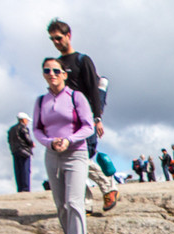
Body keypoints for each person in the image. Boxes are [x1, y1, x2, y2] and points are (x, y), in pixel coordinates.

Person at [48, 18, 118, 212]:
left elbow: (93, 91)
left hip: (84, 118)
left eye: (58, 38)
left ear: (68, 35)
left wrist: (97, 118)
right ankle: (85, 203)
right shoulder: (56, 65)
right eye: (52, 39)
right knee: (68, 161)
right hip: (65, 121)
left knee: (80, 158)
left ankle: (108, 186)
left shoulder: (82, 60)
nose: (56, 42)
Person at [33, 57, 94, 234]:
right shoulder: (41, 101)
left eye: (56, 71)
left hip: (76, 153)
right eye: (47, 70)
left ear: (64, 74)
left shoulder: (76, 97)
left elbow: (89, 126)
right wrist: (50, 143)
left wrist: (69, 139)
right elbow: (37, 129)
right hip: (52, 155)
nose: (52, 74)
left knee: (74, 200)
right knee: (60, 203)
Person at [7, 112, 35, 192]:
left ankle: (20, 188)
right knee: (25, 170)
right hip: (24, 151)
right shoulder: (24, 128)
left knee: (18, 170)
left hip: (15, 151)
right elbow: (27, 139)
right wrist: (31, 144)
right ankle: (26, 188)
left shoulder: (11, 129)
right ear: (23, 120)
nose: (27, 122)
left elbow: (9, 140)